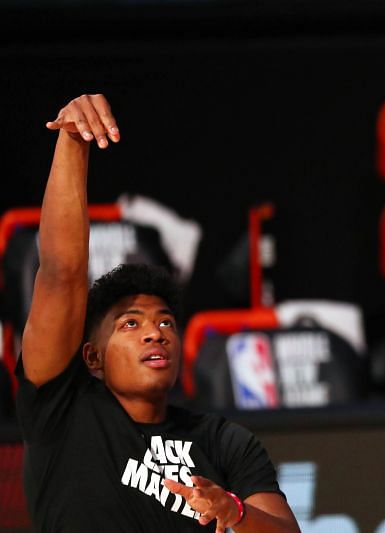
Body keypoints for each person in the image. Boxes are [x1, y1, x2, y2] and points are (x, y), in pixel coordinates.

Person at [16, 94, 300, 533]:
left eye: (165, 322)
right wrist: (73, 142)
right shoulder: (64, 409)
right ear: (92, 357)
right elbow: (61, 272)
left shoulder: (223, 441)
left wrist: (234, 512)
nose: (156, 333)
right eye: (131, 323)